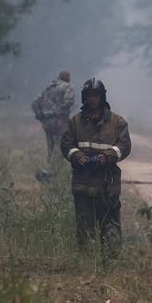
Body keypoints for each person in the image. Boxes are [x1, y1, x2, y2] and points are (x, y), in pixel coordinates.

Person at [60, 78, 131, 256]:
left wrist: (106, 156)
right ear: (85, 98)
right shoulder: (75, 122)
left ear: (102, 97)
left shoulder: (117, 122)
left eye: (95, 96)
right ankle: (85, 263)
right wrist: (78, 157)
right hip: (83, 183)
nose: (92, 99)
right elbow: (66, 145)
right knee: (84, 228)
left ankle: (111, 263)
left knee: (111, 228)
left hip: (108, 185)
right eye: (89, 96)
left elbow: (125, 146)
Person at [32, 71, 75, 157]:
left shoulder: (49, 88)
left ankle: (51, 167)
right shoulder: (67, 87)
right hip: (60, 121)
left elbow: (35, 104)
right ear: (68, 78)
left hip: (47, 122)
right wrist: (62, 118)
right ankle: (59, 168)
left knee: (51, 147)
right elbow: (68, 102)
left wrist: (42, 119)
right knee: (63, 147)